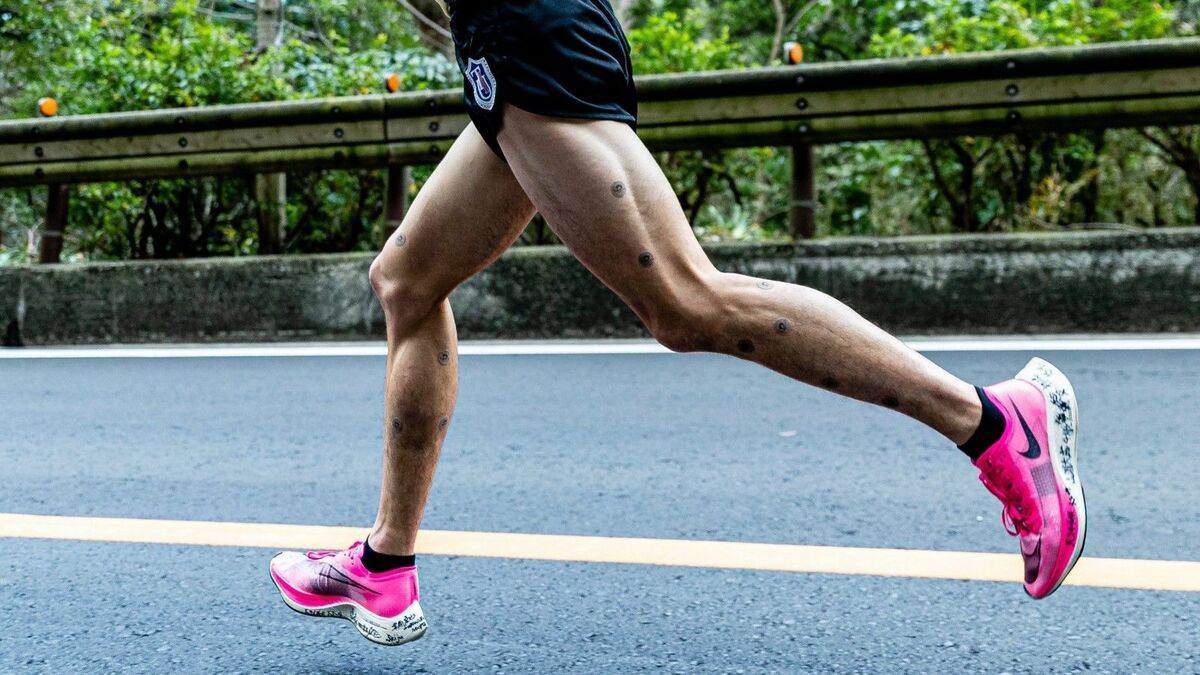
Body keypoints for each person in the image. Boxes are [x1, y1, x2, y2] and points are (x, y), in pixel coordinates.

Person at [268, 0, 1087, 646]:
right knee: (407, 281)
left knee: (687, 302)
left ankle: (991, 423)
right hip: (511, 37)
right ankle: (385, 561)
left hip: (530, 36)